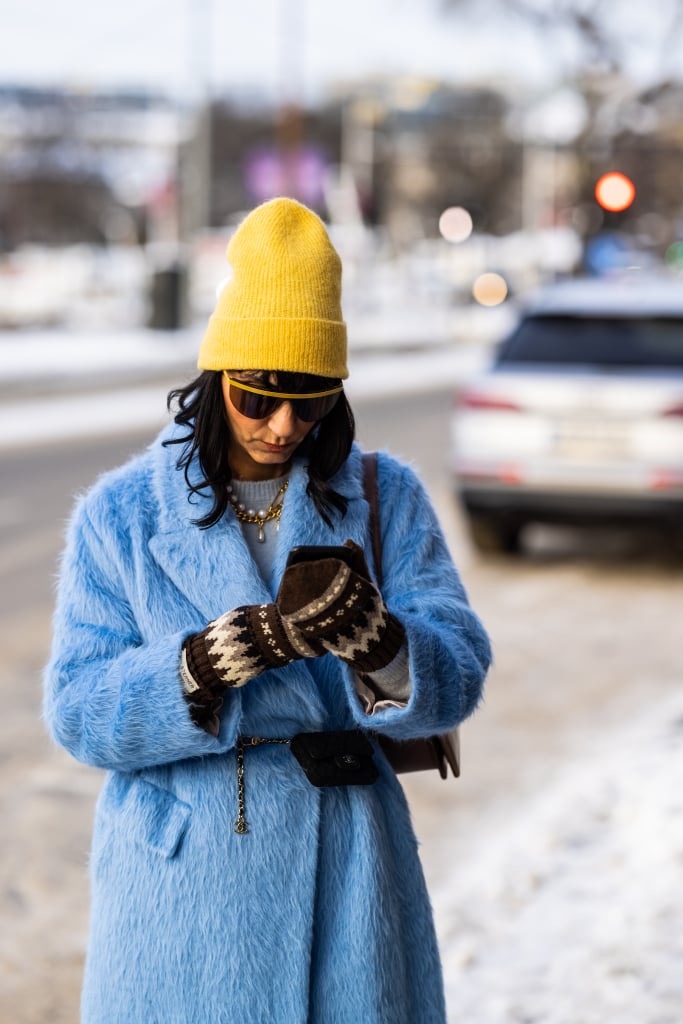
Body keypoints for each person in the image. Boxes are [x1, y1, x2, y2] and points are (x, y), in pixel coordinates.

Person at [43, 197, 492, 1024]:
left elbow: (458, 670)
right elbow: (78, 711)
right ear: (219, 380)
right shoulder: (120, 515)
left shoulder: (385, 496)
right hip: (181, 894)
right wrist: (198, 667)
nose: (284, 426)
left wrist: (382, 647)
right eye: (260, 399)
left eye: (312, 401)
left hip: (348, 870)